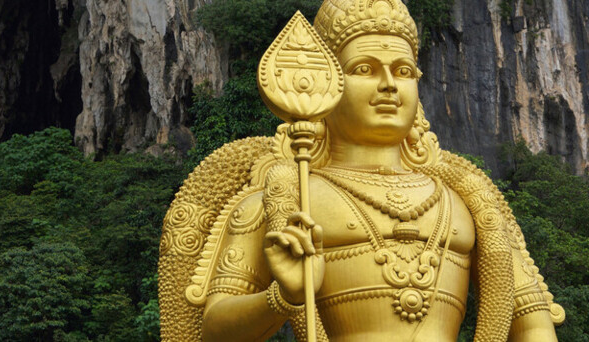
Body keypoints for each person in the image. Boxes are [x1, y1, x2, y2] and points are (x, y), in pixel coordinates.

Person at [157, 0, 564, 341]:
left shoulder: (466, 200)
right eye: (365, 69)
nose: (389, 84)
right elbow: (212, 328)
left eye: (403, 71)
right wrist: (284, 297)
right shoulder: (285, 196)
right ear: (325, 82)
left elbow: (533, 322)